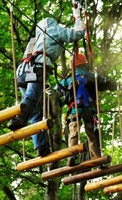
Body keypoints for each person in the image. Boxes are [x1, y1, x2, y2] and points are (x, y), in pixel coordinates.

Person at [8, 7, 86, 157]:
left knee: (36, 112)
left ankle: (42, 147)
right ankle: (19, 118)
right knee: (32, 97)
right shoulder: (54, 30)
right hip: (38, 67)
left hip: (22, 71)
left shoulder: (35, 40)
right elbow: (78, 33)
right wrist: (77, 16)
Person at [55, 53, 118, 166]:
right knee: (92, 135)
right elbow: (108, 84)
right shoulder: (93, 76)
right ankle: (97, 158)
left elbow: (57, 92)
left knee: (73, 132)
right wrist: (119, 87)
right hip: (90, 110)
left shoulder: (67, 80)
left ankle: (72, 156)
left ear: (72, 65)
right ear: (84, 64)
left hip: (75, 110)